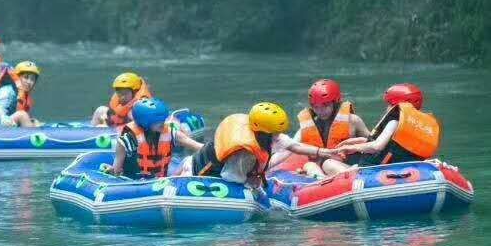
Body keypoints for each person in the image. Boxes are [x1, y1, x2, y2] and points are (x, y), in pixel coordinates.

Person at [179, 102, 339, 187]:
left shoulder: (269, 135)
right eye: (275, 133)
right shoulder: (245, 153)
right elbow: (231, 178)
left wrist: (324, 152)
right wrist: (251, 182)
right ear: (263, 132)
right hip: (199, 171)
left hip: (225, 168)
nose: (279, 136)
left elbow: (295, 146)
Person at [324, 84, 440, 177]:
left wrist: (350, 148)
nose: (387, 108)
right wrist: (360, 141)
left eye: (389, 104)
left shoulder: (394, 121)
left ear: (396, 105)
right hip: (406, 169)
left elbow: (377, 146)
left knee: (328, 163)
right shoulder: (416, 125)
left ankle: (345, 180)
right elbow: (393, 146)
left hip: (379, 172)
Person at [294, 79, 370, 177]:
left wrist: (357, 143)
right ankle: (322, 180)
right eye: (315, 106)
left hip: (351, 166)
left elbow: (373, 144)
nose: (320, 111)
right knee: (309, 165)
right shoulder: (308, 126)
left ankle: (354, 177)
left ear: (335, 102)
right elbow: (290, 146)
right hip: (328, 173)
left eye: (325, 105)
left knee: (328, 164)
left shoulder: (353, 120)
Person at [111, 98, 203, 178]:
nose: (163, 122)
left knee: (189, 160)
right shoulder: (126, 140)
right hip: (136, 182)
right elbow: (116, 170)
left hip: (163, 180)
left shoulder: (171, 133)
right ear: (145, 122)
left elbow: (198, 146)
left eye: (163, 119)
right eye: (158, 121)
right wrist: (112, 171)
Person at [0, 61, 42, 127]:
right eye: (26, 77)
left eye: (32, 79)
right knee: (22, 115)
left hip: (9, 126)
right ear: (18, 77)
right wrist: (3, 118)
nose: (29, 82)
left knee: (35, 122)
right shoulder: (8, 90)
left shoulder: (25, 95)